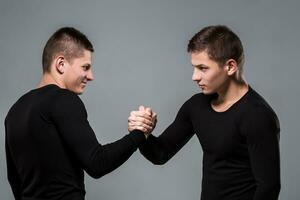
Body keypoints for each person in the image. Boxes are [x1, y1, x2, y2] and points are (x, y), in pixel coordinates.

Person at [128, 25, 281, 200]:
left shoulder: (257, 115)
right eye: (194, 67)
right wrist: (141, 132)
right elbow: (160, 153)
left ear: (230, 66)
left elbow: (268, 187)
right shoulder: (196, 106)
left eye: (203, 68)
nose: (195, 76)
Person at [5, 27, 155, 200]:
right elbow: (97, 163)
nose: (90, 76)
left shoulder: (14, 111)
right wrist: (140, 133)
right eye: (85, 67)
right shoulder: (63, 99)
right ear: (61, 64)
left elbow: (14, 180)